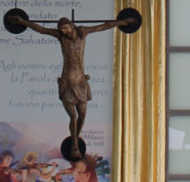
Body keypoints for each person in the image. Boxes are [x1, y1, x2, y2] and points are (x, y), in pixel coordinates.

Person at [23, 14, 125, 153]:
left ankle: (75, 140)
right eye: (62, 29)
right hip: (67, 84)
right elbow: (40, 29)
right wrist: (23, 22)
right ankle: (74, 145)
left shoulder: (83, 32)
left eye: (66, 28)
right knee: (73, 117)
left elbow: (102, 27)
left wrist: (122, 22)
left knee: (82, 115)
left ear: (72, 26)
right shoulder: (61, 37)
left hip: (80, 83)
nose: (64, 31)